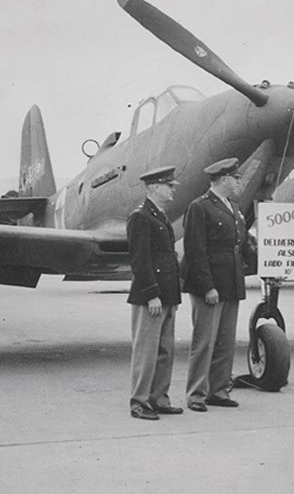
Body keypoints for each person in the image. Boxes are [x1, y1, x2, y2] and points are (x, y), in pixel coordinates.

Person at [182, 157, 256, 412]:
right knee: (204, 342)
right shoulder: (199, 207)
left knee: (226, 341)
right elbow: (195, 250)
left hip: (231, 283)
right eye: (236, 178)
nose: (239, 183)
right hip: (210, 286)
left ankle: (219, 390)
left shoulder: (233, 207)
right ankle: (196, 394)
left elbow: (244, 244)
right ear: (223, 179)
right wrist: (207, 287)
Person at [126, 166, 183, 420]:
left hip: (167, 296)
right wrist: (151, 294)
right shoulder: (141, 217)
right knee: (146, 352)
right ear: (155, 187)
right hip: (152, 297)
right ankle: (139, 402)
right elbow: (140, 260)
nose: (173, 190)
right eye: (169, 186)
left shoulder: (160, 216)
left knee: (165, 351)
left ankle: (159, 398)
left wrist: (172, 296)